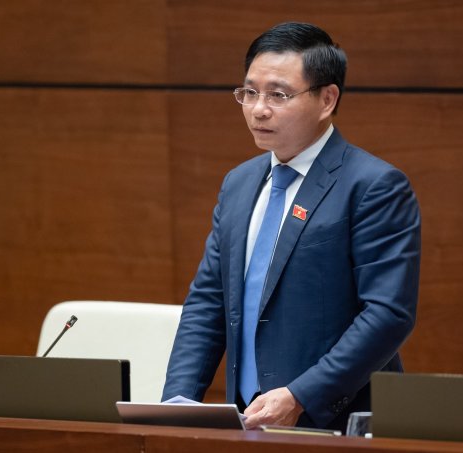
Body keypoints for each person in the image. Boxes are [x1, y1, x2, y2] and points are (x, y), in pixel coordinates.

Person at [162, 21, 421, 432]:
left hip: (337, 421)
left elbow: (387, 314)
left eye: (278, 95)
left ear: (326, 99)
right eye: (249, 92)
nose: (258, 108)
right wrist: (177, 403)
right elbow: (208, 302)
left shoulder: (373, 186)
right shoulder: (239, 183)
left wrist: (301, 394)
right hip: (247, 418)